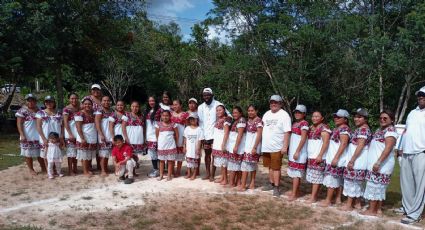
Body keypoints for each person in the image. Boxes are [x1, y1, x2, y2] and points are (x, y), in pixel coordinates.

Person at [362, 110, 398, 216]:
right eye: (381, 118)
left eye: (385, 118)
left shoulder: (390, 131)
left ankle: (372, 210)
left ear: (392, 120)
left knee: (375, 186)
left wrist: (378, 162)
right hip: (377, 163)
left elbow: (388, 148)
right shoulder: (380, 130)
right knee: (379, 188)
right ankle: (378, 209)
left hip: (382, 164)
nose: (382, 120)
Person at [399, 86, 425, 224]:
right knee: (407, 183)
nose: (420, 96)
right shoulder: (412, 112)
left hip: (421, 152)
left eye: (423, 95)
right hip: (407, 151)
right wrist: (401, 148)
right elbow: (406, 132)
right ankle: (408, 208)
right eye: (419, 95)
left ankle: (415, 214)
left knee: (420, 185)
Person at [261, 95, 291, 197]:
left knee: (276, 168)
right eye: (271, 102)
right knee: (269, 166)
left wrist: (285, 146)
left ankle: (276, 188)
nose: (273, 104)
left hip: (277, 147)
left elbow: (287, 132)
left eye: (276, 102)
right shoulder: (266, 114)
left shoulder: (284, 115)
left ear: (280, 104)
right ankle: (271, 183)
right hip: (266, 146)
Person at [342, 108, 372, 211]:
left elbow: (360, 145)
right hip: (358, 160)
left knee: (352, 182)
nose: (356, 119)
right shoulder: (361, 128)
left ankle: (349, 204)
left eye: (359, 117)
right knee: (356, 183)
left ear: (365, 119)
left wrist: (352, 160)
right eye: (355, 116)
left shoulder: (363, 130)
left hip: (357, 160)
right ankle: (357, 203)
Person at [320, 109, 351, 207]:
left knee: (332, 179)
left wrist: (336, 158)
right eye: (335, 117)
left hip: (337, 158)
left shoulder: (344, 129)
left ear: (345, 119)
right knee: (337, 179)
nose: (336, 118)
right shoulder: (338, 128)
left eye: (339, 117)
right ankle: (338, 198)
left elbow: (344, 143)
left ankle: (328, 200)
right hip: (334, 157)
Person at [198, 87, 227, 181]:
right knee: (207, 155)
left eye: (208, 95)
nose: (206, 97)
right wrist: (202, 136)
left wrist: (223, 123)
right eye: (204, 95)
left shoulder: (218, 104)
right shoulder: (201, 107)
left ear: (212, 95)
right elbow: (201, 122)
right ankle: (207, 173)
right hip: (206, 135)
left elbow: (228, 116)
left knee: (215, 155)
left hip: (216, 135)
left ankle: (212, 175)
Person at [306, 110, 331, 203]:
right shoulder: (311, 127)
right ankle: (314, 195)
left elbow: (326, 142)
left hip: (319, 156)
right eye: (313, 116)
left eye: (317, 116)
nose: (314, 118)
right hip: (311, 156)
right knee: (314, 176)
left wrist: (320, 155)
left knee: (317, 177)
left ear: (322, 118)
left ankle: (313, 197)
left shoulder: (324, 128)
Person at [16, 94, 45, 175]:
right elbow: (19, 124)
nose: (31, 102)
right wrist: (22, 134)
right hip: (27, 135)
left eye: (32, 100)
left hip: (39, 135)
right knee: (28, 154)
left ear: (35, 101)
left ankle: (43, 167)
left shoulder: (39, 110)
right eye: (29, 100)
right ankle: (31, 169)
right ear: (26, 101)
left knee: (40, 153)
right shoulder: (22, 111)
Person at [287, 105, 309, 201]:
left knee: (296, 174)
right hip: (293, 150)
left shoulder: (304, 124)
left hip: (299, 152)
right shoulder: (295, 123)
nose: (297, 114)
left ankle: (294, 193)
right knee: (294, 173)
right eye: (296, 112)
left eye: (299, 112)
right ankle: (295, 191)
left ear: (304, 114)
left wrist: (297, 151)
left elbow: (303, 138)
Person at [36, 96, 64, 171]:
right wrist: (44, 138)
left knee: (55, 153)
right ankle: (49, 171)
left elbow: (62, 126)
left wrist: (61, 136)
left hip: (56, 138)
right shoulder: (40, 113)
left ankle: (55, 169)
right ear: (45, 103)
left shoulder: (59, 113)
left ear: (54, 103)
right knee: (46, 155)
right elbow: (38, 127)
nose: (49, 103)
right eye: (47, 102)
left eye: (50, 102)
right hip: (45, 137)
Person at [240, 105, 263, 191]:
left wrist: (255, 147)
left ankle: (248, 183)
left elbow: (259, 134)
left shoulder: (259, 121)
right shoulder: (248, 120)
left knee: (251, 164)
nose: (250, 112)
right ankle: (247, 183)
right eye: (249, 110)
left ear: (256, 111)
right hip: (247, 146)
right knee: (247, 164)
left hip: (254, 145)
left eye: (252, 110)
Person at [75, 98, 98, 176]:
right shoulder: (79, 114)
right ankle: (85, 171)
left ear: (92, 105)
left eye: (89, 104)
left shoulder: (92, 113)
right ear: (82, 105)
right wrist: (82, 138)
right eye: (85, 104)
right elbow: (78, 128)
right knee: (84, 155)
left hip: (91, 136)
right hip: (84, 136)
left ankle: (87, 169)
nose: (87, 105)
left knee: (88, 155)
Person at [156, 110, 179, 181]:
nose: (165, 117)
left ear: (170, 116)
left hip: (171, 146)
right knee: (162, 161)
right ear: (161, 116)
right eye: (163, 115)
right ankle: (161, 175)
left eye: (167, 115)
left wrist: (175, 143)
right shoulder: (158, 124)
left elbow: (177, 135)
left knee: (170, 161)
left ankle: (169, 175)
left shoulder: (173, 124)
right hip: (162, 146)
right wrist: (159, 143)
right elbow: (157, 135)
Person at [227, 106, 246, 188]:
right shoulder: (236, 121)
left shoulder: (241, 120)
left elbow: (240, 135)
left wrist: (236, 146)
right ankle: (237, 182)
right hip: (235, 146)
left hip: (237, 147)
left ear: (240, 113)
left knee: (234, 165)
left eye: (236, 112)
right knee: (236, 166)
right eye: (233, 112)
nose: (234, 114)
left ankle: (231, 183)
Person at [212, 105, 231, 185]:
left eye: (220, 110)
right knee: (221, 162)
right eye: (217, 110)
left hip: (222, 143)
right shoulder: (218, 120)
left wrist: (223, 144)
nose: (218, 112)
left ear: (224, 110)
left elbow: (226, 133)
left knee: (223, 163)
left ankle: (225, 179)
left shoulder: (226, 120)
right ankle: (222, 177)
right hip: (217, 142)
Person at [95, 96, 114, 176]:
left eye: (108, 100)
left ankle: (105, 168)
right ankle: (103, 170)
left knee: (107, 153)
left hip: (110, 134)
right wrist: (101, 134)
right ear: (101, 101)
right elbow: (97, 123)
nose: (106, 102)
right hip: (103, 134)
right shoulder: (99, 110)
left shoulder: (112, 110)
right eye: (104, 100)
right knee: (103, 154)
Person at [171, 99, 189, 177]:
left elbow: (188, 127)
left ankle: (178, 171)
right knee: (171, 154)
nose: (175, 106)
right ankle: (171, 171)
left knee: (180, 155)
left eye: (176, 104)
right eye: (173, 104)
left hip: (181, 136)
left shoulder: (185, 114)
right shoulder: (170, 114)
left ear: (181, 105)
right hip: (171, 136)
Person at [144, 96, 161, 178]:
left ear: (156, 101)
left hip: (156, 135)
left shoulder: (160, 110)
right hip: (149, 136)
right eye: (150, 101)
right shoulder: (146, 111)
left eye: (153, 100)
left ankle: (158, 170)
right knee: (152, 154)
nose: (151, 102)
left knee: (157, 153)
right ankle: (155, 169)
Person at [63, 93, 79, 175]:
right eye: (72, 98)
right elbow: (65, 122)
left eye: (76, 98)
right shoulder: (66, 109)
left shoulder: (79, 108)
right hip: (70, 133)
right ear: (69, 99)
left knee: (76, 152)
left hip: (78, 133)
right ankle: (70, 170)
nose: (74, 100)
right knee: (70, 153)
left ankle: (75, 167)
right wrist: (70, 134)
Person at [183, 113, 204, 180]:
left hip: (195, 149)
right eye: (191, 119)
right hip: (188, 148)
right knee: (188, 161)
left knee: (195, 162)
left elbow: (200, 140)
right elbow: (185, 138)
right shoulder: (187, 128)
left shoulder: (199, 129)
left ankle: (194, 174)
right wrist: (184, 146)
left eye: (194, 119)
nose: (192, 120)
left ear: (197, 120)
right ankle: (189, 173)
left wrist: (198, 149)